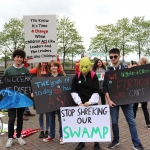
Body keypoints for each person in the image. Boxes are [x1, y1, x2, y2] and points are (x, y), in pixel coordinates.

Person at [103, 48, 144, 150]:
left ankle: (136, 143)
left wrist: (133, 71)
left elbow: (135, 81)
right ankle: (116, 140)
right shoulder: (108, 71)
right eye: (111, 57)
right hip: (113, 101)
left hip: (126, 100)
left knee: (131, 122)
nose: (113, 59)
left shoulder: (126, 68)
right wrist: (108, 100)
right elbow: (105, 87)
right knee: (114, 122)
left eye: (115, 56)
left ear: (119, 57)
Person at [71, 57, 102, 150]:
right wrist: (79, 102)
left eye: (86, 68)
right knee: (81, 123)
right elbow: (73, 90)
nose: (84, 71)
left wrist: (90, 102)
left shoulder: (93, 76)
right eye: (82, 67)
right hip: (81, 105)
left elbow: (96, 90)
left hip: (91, 104)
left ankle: (96, 142)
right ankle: (81, 142)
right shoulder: (76, 77)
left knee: (94, 123)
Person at [4, 49, 28, 148]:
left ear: (23, 59)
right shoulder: (8, 70)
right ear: (14, 58)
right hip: (11, 100)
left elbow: (28, 84)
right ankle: (10, 138)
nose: (19, 59)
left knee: (20, 119)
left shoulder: (25, 71)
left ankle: (18, 136)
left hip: (21, 100)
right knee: (11, 119)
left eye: (21, 57)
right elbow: (3, 83)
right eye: (17, 57)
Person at [43, 60, 65, 144]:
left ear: (57, 67)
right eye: (51, 66)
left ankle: (62, 136)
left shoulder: (62, 77)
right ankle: (51, 135)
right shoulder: (46, 78)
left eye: (55, 66)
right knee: (51, 119)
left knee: (61, 119)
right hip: (50, 102)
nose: (53, 67)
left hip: (60, 102)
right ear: (49, 68)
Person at [30, 62, 50, 138]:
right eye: (43, 62)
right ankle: (41, 130)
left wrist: (57, 59)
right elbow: (32, 82)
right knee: (40, 114)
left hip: (47, 95)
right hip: (38, 95)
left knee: (48, 113)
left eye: (45, 63)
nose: (44, 64)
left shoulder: (49, 71)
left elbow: (59, 70)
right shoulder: (35, 71)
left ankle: (47, 130)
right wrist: (32, 91)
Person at [133, 57, 150, 129]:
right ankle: (148, 123)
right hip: (145, 91)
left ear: (141, 62)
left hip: (137, 91)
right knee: (144, 107)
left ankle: (132, 121)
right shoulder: (148, 70)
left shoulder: (139, 69)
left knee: (135, 106)